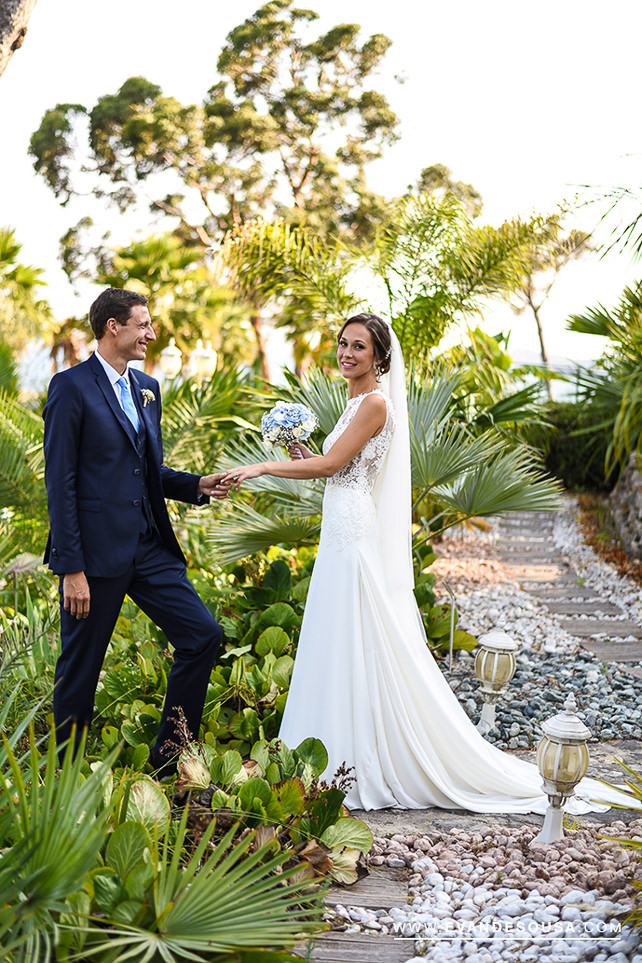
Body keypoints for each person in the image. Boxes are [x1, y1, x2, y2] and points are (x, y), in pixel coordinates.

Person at [223, 312, 634, 815]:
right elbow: (337, 467)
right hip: (341, 528)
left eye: (358, 347)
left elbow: (332, 468)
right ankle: (329, 747)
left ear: (379, 356)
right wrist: (294, 447)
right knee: (339, 637)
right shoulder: (356, 402)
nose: (346, 353)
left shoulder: (375, 403)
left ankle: (359, 758)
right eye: (342, 344)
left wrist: (264, 465)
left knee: (356, 634)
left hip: (352, 537)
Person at [43, 287, 230, 774]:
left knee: (202, 636)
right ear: (113, 327)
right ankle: (66, 781)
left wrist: (198, 485)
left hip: (149, 549)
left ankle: (168, 762)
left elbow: (150, 472)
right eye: (143, 324)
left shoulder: (148, 387)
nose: (151, 333)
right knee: (80, 672)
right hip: (94, 557)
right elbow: (60, 482)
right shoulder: (71, 387)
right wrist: (71, 567)